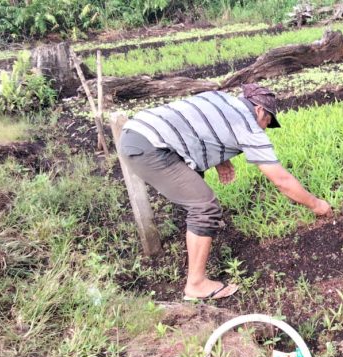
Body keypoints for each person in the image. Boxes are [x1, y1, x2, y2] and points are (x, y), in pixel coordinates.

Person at [119, 84, 331, 300]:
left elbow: (198, 125)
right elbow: (281, 180)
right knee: (204, 207)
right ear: (259, 110)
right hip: (152, 148)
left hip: (135, 131)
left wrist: (221, 159)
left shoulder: (220, 98)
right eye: (267, 121)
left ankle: (197, 239)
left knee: (196, 189)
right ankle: (196, 284)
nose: (265, 129)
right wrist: (318, 205)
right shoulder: (248, 126)